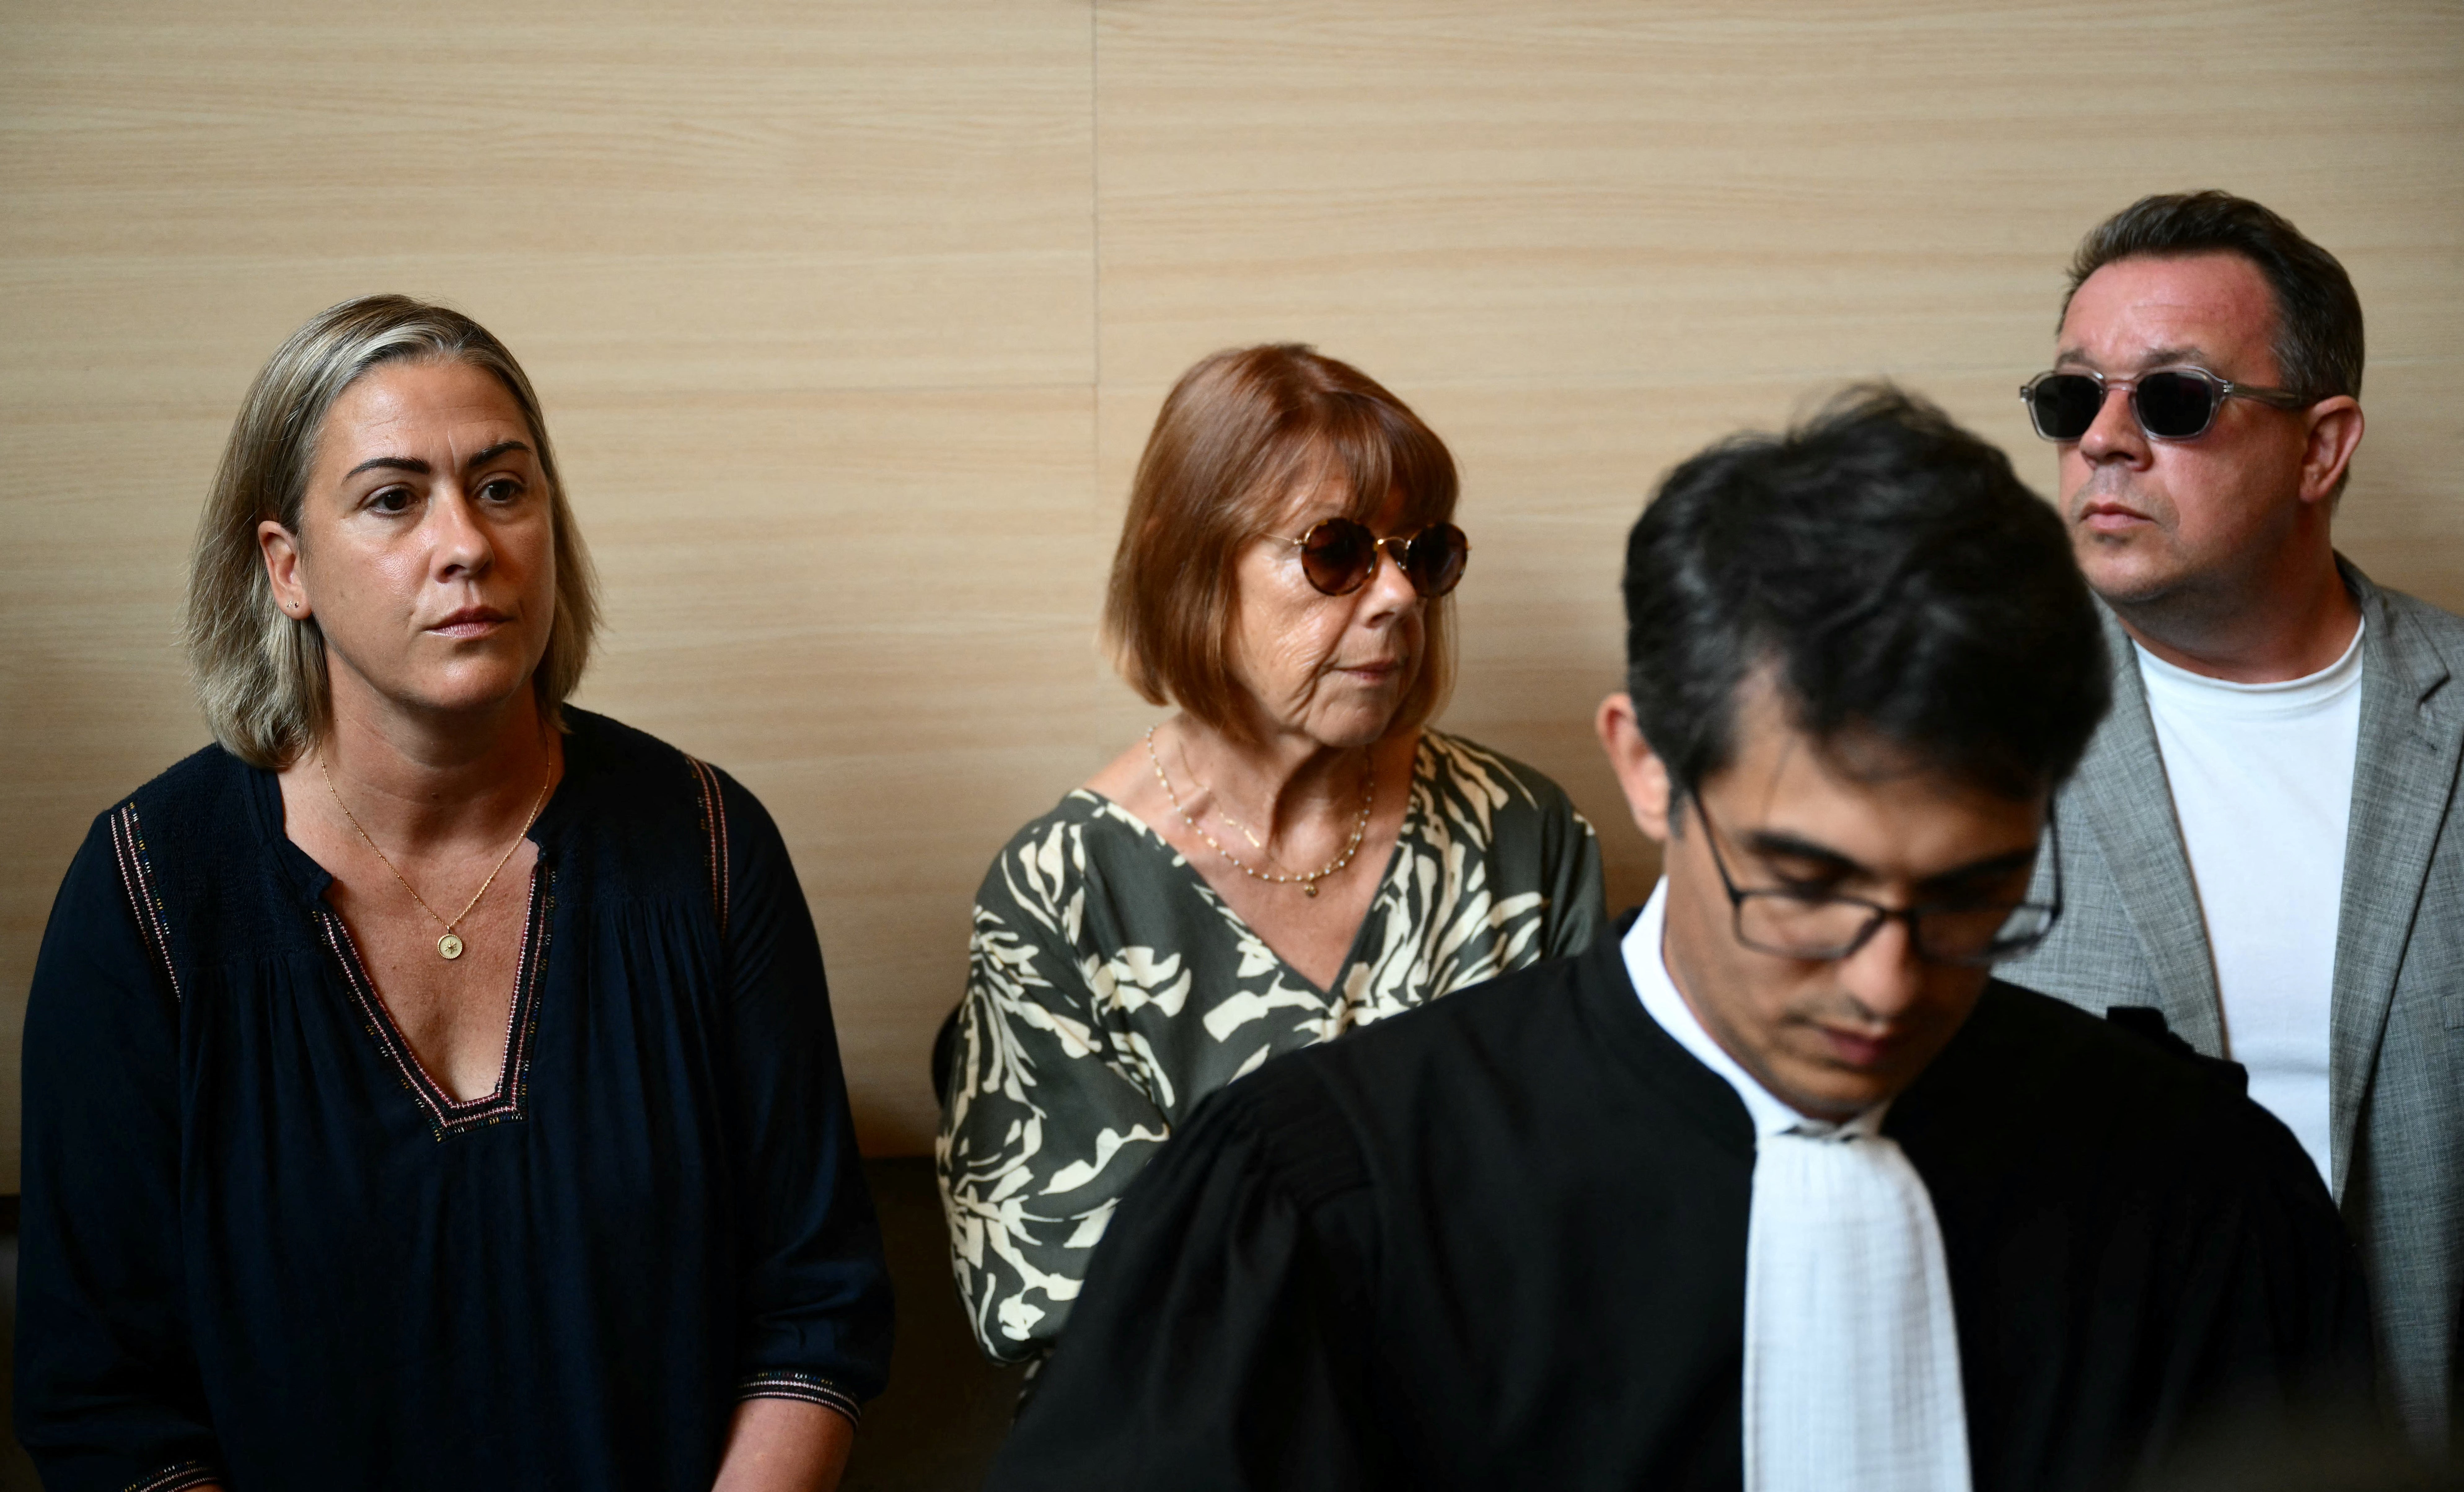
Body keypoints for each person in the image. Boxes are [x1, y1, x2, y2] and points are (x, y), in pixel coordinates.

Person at [982, 388, 2374, 1492]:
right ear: (1647, 767)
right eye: (1800, 882)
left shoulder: (2207, 1200)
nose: (1886, 985)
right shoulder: (1311, 1200)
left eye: (1970, 896)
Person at [15, 296, 891, 1492]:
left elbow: (813, 1313)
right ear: (288, 570)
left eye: (502, 488)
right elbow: (105, 1403)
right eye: (392, 499)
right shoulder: (149, 895)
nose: (466, 543)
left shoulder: (710, 844)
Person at [934, 344, 1606, 1372]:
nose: (1396, 600)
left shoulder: (1524, 835)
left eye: (1421, 555)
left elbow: (1594, 1210)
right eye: (1335, 553)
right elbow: (1066, 1304)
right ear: (1186, 561)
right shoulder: (1062, 892)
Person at [1999, 191, 2461, 1456]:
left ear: (2319, 450)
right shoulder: (1963, 719)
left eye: (2172, 401)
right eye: (2069, 396)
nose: (2101, 441)